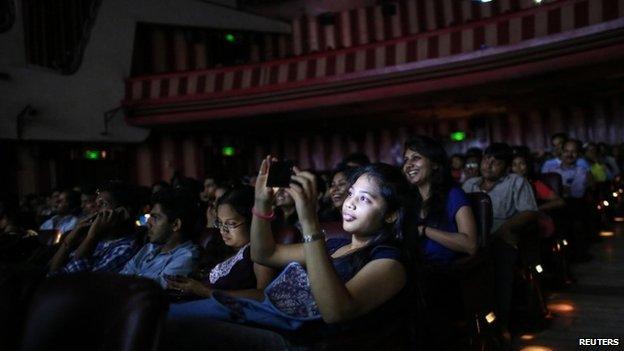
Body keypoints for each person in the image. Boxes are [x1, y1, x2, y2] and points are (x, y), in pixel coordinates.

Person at [164, 158, 409, 350]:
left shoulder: (389, 262)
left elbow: (336, 312)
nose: (350, 203)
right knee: (161, 315)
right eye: (351, 193)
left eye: (364, 199)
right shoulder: (335, 247)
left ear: (391, 214)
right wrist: (261, 204)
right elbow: (264, 254)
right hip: (266, 317)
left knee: (173, 326)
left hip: (294, 340)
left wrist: (310, 221)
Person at [462, 143, 539, 339]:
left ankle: (502, 324)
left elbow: (530, 212)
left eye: (496, 162)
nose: (488, 165)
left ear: (505, 167)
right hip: (475, 239)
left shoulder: (516, 182)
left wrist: (505, 228)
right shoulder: (470, 185)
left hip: (502, 237)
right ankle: (471, 323)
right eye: (486, 160)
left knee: (501, 273)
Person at [166, 187, 275, 300]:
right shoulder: (221, 247)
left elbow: (264, 295)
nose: (223, 230)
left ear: (252, 221)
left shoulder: (258, 251)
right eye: (220, 223)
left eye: (231, 224)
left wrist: (206, 292)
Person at [402, 136, 477, 262]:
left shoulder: (453, 194)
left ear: (435, 164)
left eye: (416, 158)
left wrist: (424, 230)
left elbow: (470, 245)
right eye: (406, 160)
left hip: (442, 272)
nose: (408, 165)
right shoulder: (408, 200)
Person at [48, 182, 140, 275]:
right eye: (96, 204)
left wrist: (92, 237)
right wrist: (70, 240)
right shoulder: (100, 241)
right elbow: (50, 269)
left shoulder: (124, 249)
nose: (95, 209)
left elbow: (70, 280)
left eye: (102, 204)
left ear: (122, 213)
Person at [120, 188, 200, 287]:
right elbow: (121, 279)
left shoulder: (187, 256)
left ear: (175, 224)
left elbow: (151, 292)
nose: (148, 223)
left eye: (155, 218)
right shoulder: (149, 248)